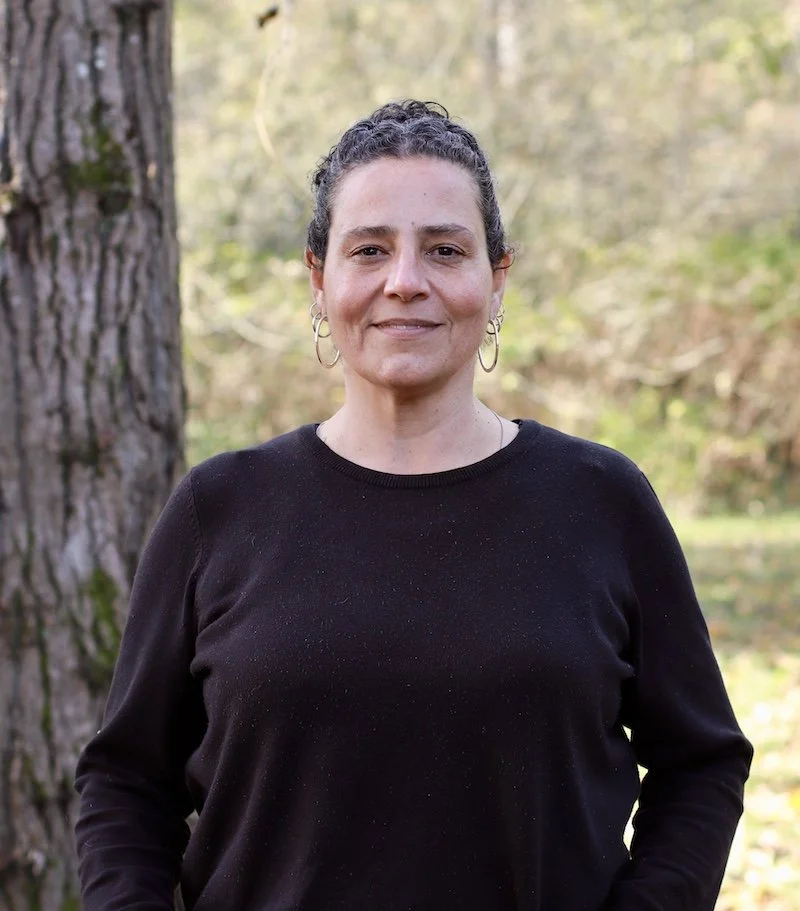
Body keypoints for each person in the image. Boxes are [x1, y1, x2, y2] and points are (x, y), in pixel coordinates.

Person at [74, 100, 752, 911]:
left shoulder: (602, 502)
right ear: (320, 280)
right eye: (369, 250)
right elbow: (125, 783)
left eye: (444, 249)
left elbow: (702, 762)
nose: (405, 281)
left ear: (495, 277)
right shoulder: (219, 509)